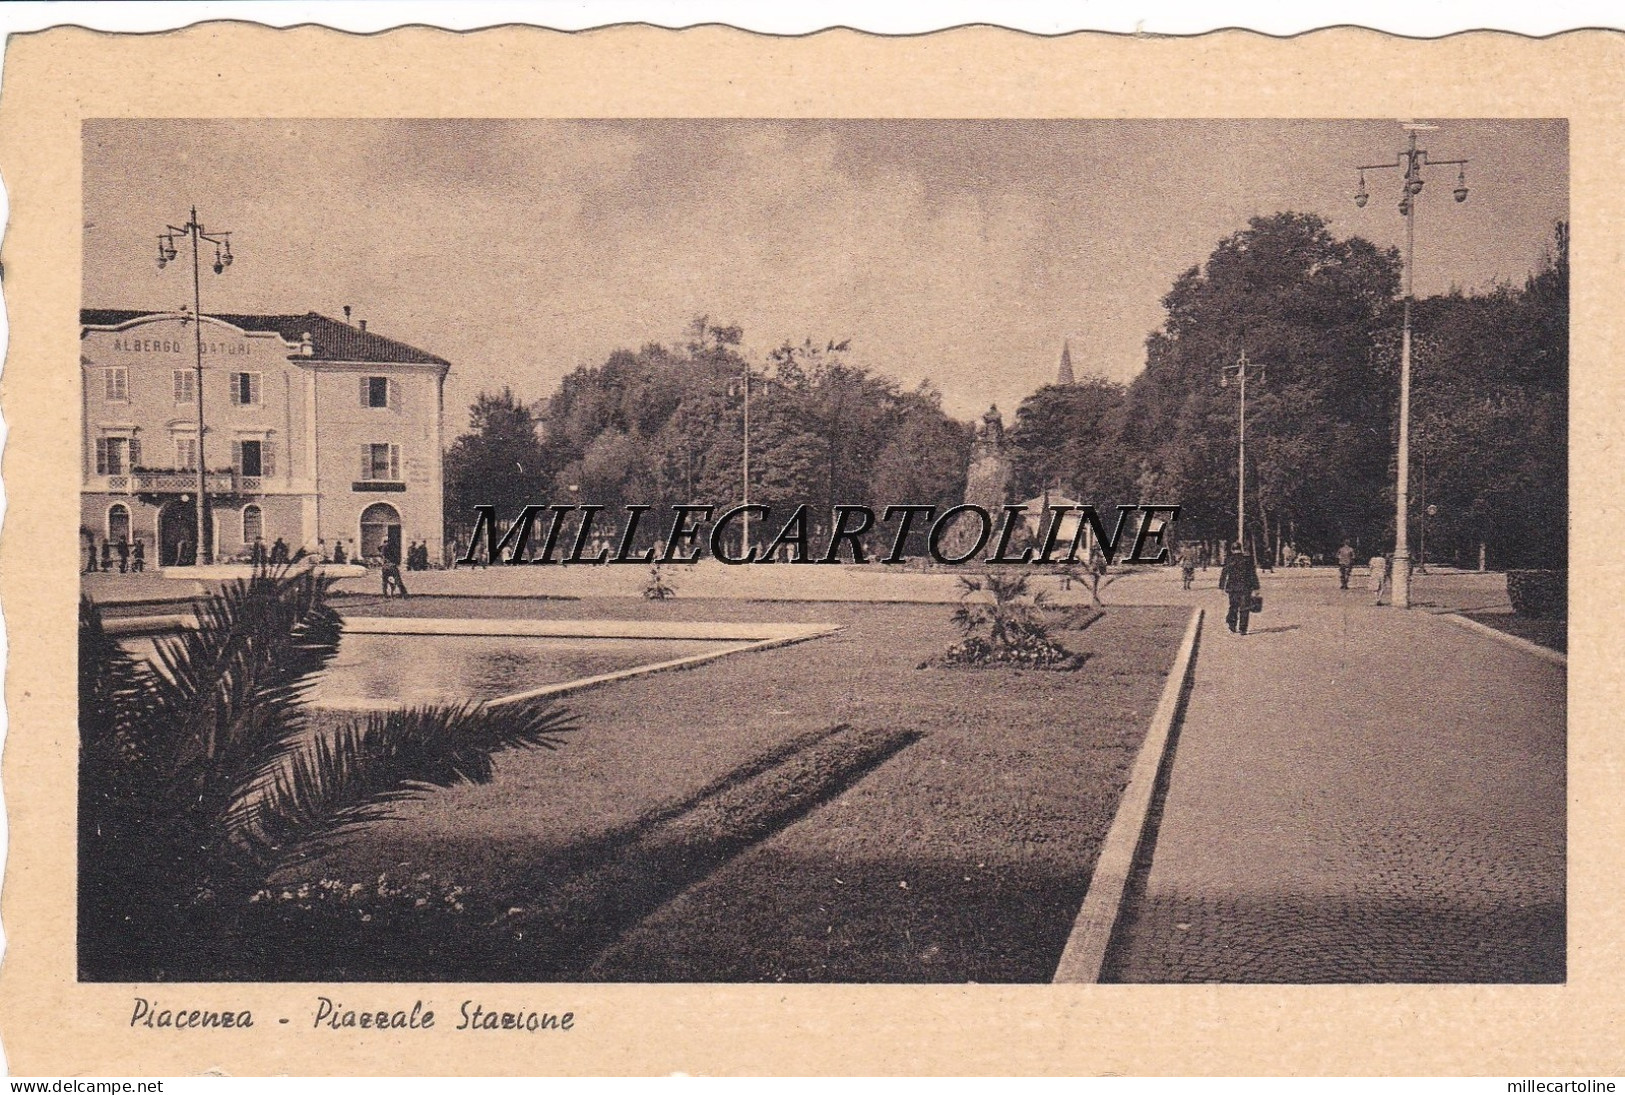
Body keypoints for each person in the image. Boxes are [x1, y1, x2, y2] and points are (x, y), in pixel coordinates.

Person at [1218, 539, 1261, 635]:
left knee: (1233, 606)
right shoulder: (1247, 559)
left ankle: (1232, 625)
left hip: (1232, 588)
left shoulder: (1229, 559)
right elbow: (1252, 574)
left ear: (1232, 550)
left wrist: (1221, 587)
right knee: (1244, 607)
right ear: (1240, 549)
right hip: (1245, 587)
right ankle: (1243, 628)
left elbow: (1224, 574)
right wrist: (1256, 587)